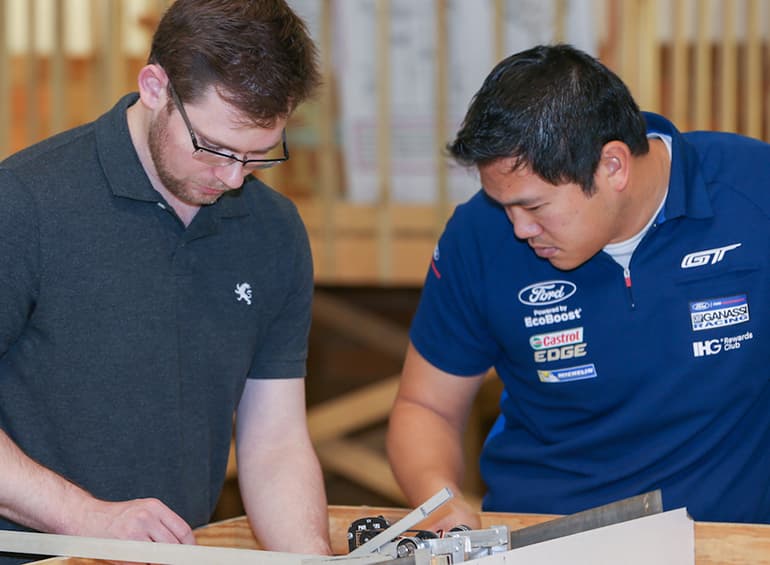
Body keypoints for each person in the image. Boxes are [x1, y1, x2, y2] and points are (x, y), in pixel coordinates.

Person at [386, 43, 770, 531]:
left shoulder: (756, 192)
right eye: (502, 205)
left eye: (534, 207)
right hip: (543, 536)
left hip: (725, 542)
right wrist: (439, 504)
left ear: (613, 167)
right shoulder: (479, 235)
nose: (519, 229)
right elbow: (426, 407)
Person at [0, 1, 332, 562]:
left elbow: (274, 443)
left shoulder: (274, 232)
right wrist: (85, 517)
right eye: (214, 147)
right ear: (155, 87)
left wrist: (309, 558)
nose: (231, 178)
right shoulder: (26, 202)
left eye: (257, 157)